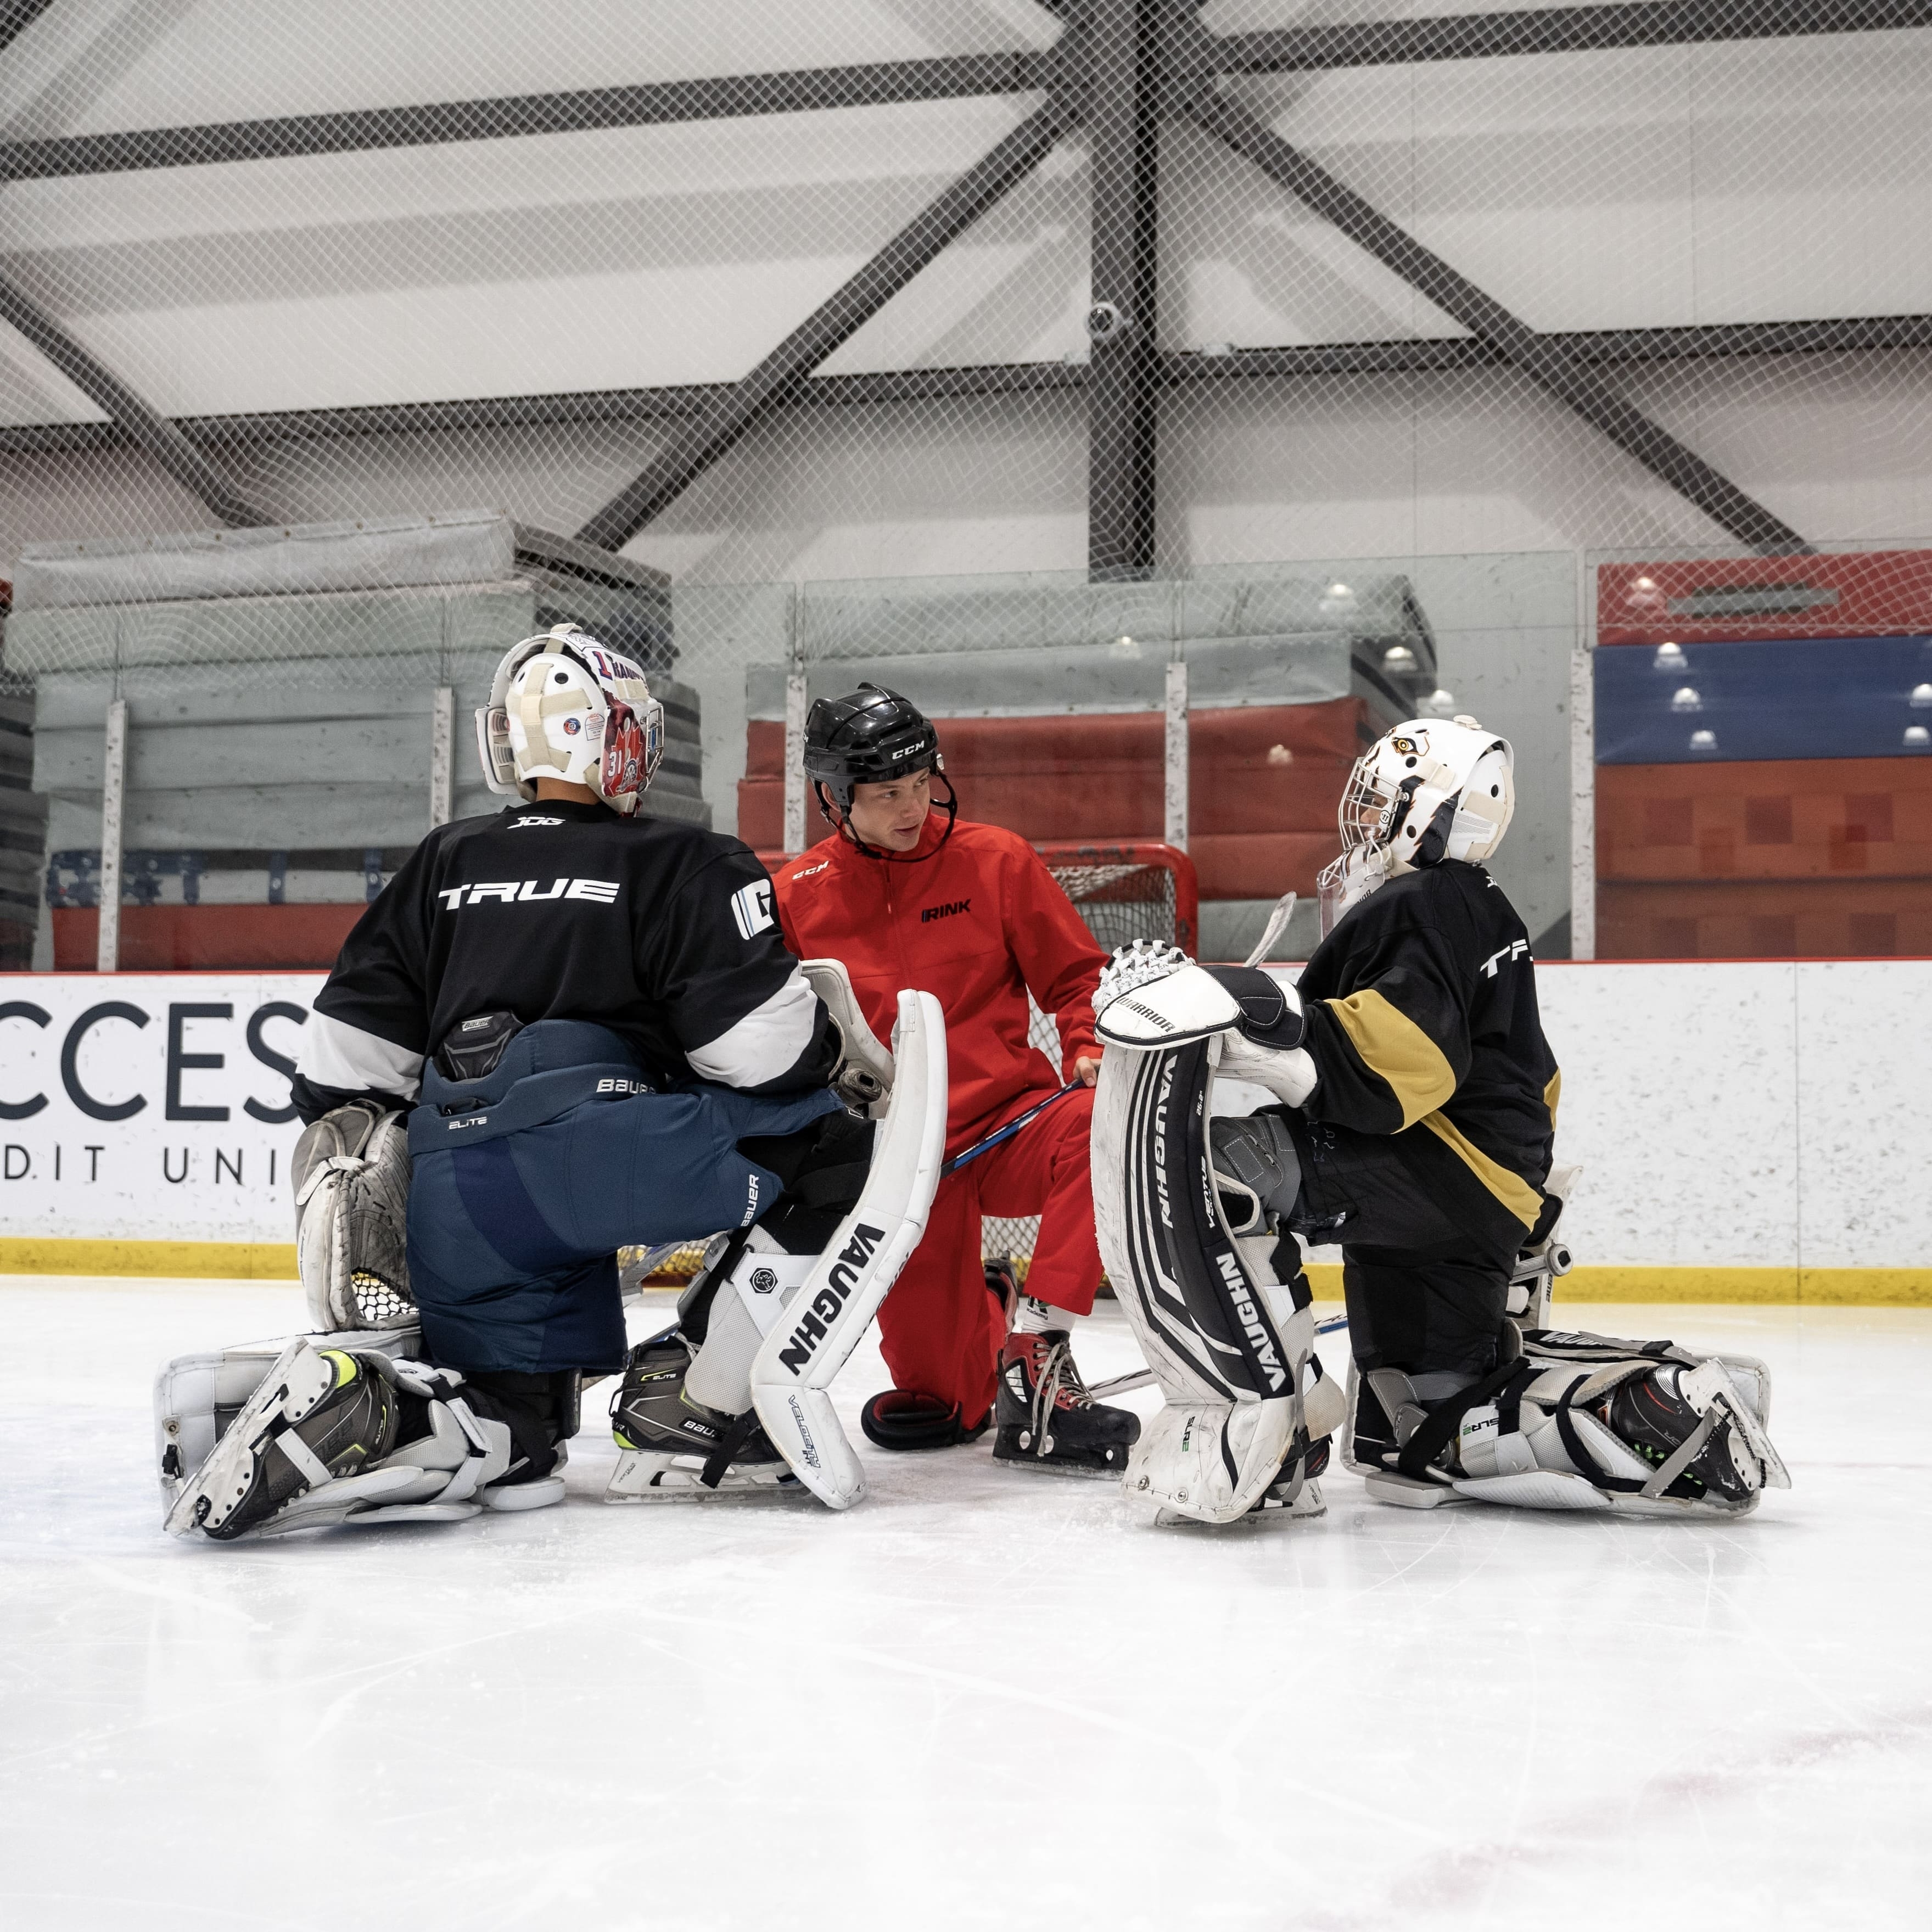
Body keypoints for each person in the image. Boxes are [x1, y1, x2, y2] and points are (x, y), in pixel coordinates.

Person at [164, 625, 932, 1541]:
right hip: (598, 1159)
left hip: (458, 1191)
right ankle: (700, 1402)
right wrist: (828, 1062)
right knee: (833, 1148)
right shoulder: (683, 859)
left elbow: (341, 1071)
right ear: (617, 736)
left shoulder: (442, 862)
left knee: (519, 1445)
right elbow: (756, 1055)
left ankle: (379, 1410)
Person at [1090, 713, 1789, 1523]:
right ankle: (1667, 1410)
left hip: (1443, 1171)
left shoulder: (1427, 898)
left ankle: (1265, 1429)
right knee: (1415, 1424)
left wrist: (1250, 1014)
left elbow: (1404, 1064)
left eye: (1380, 800)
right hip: (1482, 1192)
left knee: (1226, 1170)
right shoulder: (1475, 907)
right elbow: (1506, 1075)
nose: (1361, 820)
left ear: (1430, 813)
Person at [771, 684, 1141, 1475]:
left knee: (1104, 1126)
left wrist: (1089, 1047)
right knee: (943, 1402)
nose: (912, 808)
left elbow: (1079, 980)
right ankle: (981, 1320)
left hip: (1010, 1121)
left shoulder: (996, 859)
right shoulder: (795, 897)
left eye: (920, 785)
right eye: (886, 796)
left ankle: (1035, 1350)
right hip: (900, 1161)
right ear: (835, 798)